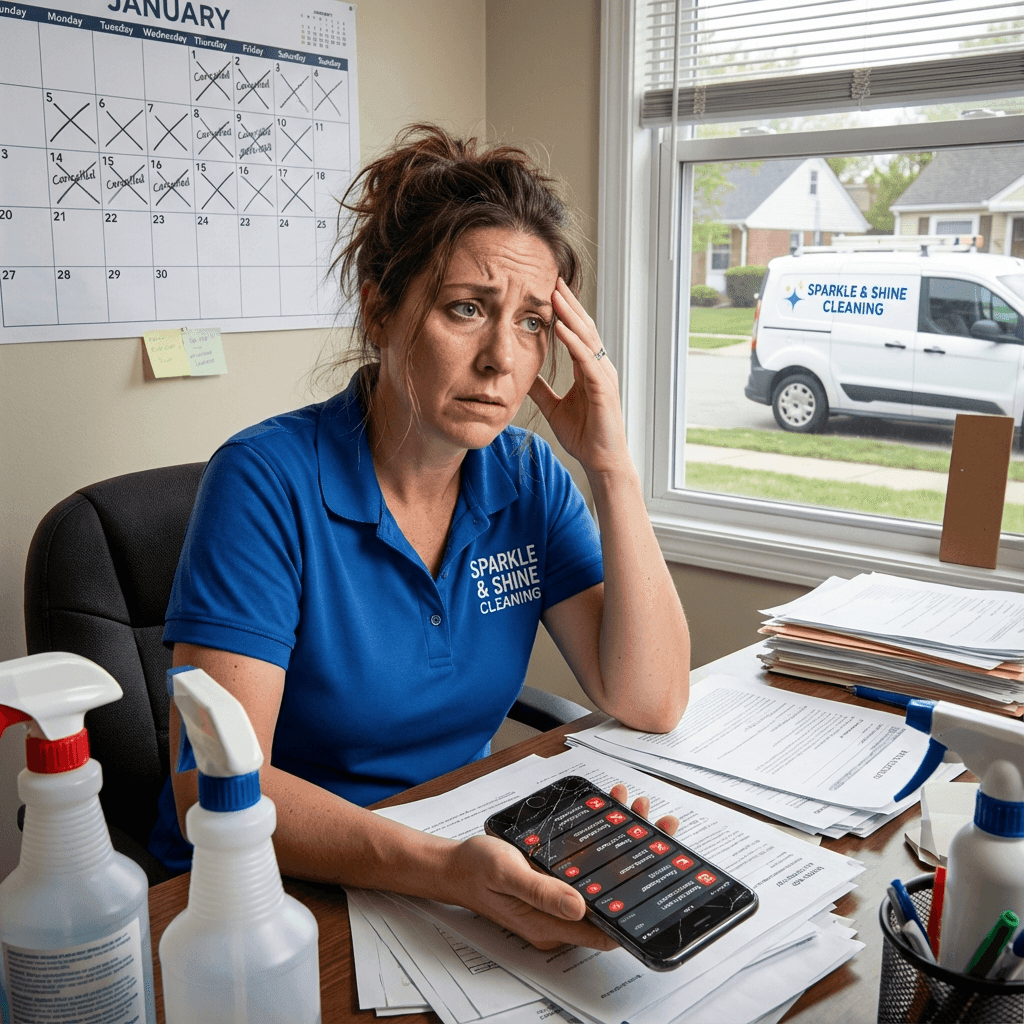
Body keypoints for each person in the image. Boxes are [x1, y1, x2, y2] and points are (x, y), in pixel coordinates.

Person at [149, 125, 690, 951]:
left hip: (458, 847)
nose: (502, 359)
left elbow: (649, 700)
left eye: (534, 321)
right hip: (269, 890)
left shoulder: (532, 479)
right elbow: (214, 783)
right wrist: (443, 870)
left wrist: (611, 466)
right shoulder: (264, 482)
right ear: (380, 306)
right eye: (466, 309)